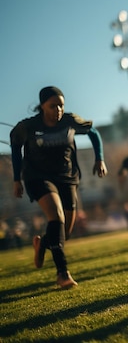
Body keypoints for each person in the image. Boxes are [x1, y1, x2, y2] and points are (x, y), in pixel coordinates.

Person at [10, 86, 108, 289]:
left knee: (65, 232)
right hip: (38, 177)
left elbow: (94, 132)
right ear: (42, 106)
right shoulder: (29, 126)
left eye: (61, 106)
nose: (58, 110)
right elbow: (15, 146)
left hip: (67, 177)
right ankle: (62, 273)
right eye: (53, 106)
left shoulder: (70, 121)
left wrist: (99, 159)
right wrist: (16, 178)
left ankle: (43, 243)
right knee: (56, 217)